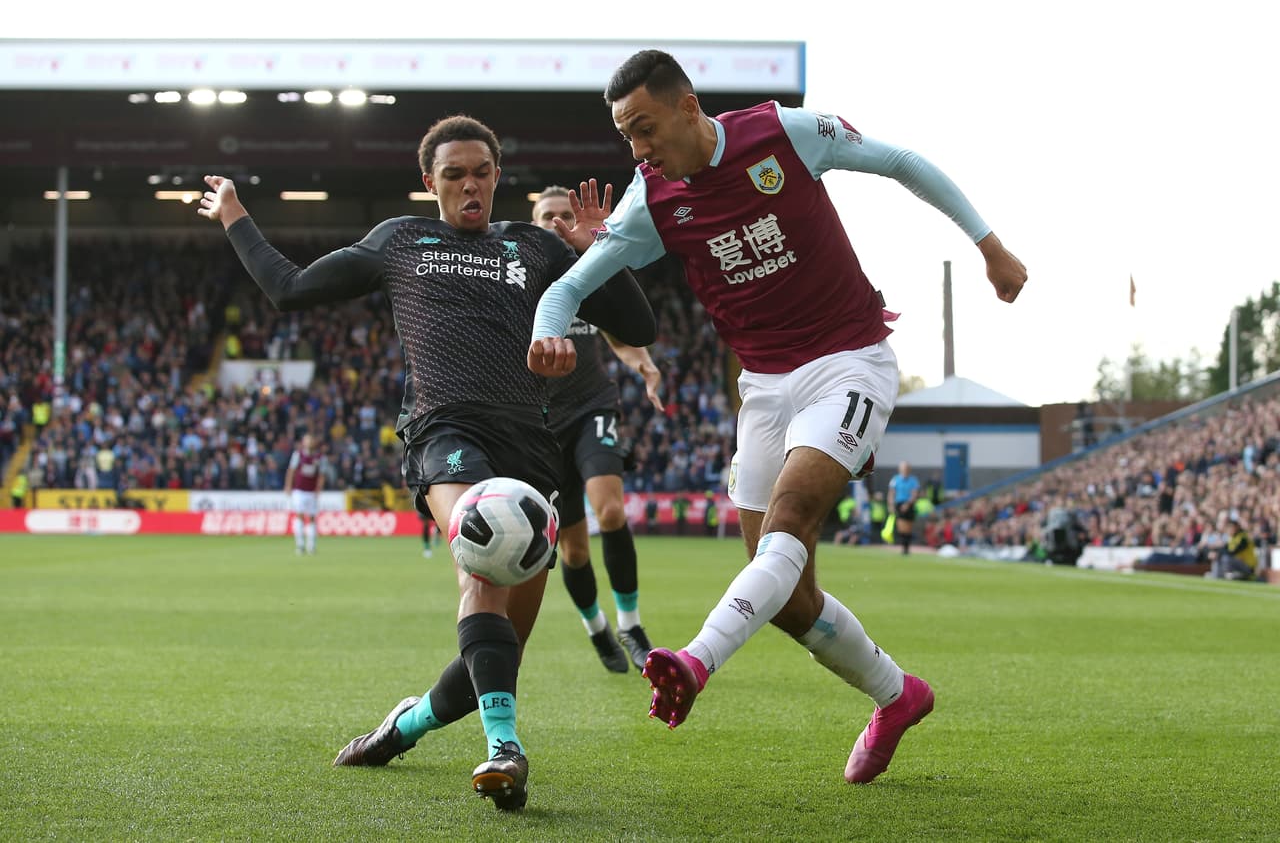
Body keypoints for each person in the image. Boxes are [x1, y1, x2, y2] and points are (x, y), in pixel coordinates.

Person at [527, 49, 1027, 784]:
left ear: (686, 105)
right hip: (762, 389)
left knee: (790, 520)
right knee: (788, 598)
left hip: (849, 361)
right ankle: (898, 697)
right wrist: (546, 331)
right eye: (624, 135)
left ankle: (693, 661)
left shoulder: (784, 134)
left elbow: (901, 161)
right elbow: (569, 291)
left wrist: (989, 244)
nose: (636, 149)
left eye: (643, 127)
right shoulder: (652, 198)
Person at [196, 114, 654, 811]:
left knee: (495, 659)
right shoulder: (401, 240)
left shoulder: (535, 246)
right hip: (446, 433)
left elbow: (639, 327)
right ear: (428, 183)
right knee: (485, 551)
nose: (469, 186)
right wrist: (235, 215)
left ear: (498, 176)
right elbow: (289, 289)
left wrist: (601, 248)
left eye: (480, 172)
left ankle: (403, 727)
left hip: (531, 445)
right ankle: (506, 751)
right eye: (453, 175)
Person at [531, 184, 663, 673]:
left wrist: (643, 364)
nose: (557, 221)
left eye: (564, 213)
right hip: (542, 424)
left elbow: (621, 333)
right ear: (534, 221)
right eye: (547, 215)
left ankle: (630, 624)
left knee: (610, 511)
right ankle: (596, 628)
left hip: (592, 407)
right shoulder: (519, 279)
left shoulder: (589, 274)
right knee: (574, 547)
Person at [284, 432, 324, 555]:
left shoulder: (319, 458)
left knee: (312, 518)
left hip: (311, 491)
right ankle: (300, 545)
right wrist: (288, 486)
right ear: (303, 443)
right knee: (300, 516)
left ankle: (312, 546)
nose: (309, 443)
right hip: (299, 490)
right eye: (307, 440)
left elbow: (321, 474)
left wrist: (319, 489)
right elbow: (291, 470)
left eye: (311, 440)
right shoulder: (298, 455)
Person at [889, 461, 921, 555]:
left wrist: (908, 504)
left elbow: (914, 494)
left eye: (906, 469)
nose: (905, 471)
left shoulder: (913, 480)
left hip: (909, 504)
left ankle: (906, 547)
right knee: (901, 527)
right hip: (899, 504)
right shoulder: (895, 479)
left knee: (908, 527)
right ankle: (904, 547)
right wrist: (891, 505)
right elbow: (891, 493)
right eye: (903, 469)